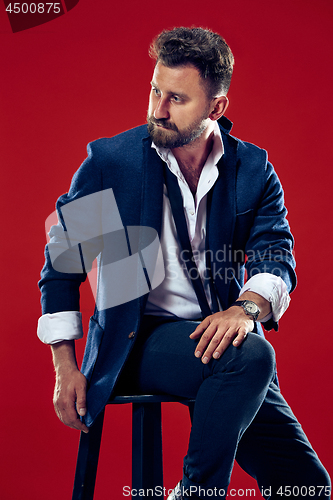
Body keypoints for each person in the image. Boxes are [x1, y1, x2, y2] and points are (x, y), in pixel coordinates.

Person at [38, 27, 331, 499]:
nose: (157, 109)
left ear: (216, 108)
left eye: (176, 98)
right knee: (251, 354)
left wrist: (247, 308)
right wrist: (64, 366)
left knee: (309, 487)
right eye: (155, 90)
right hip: (138, 342)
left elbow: (275, 253)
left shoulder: (251, 170)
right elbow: (62, 267)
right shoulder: (114, 163)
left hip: (224, 340)